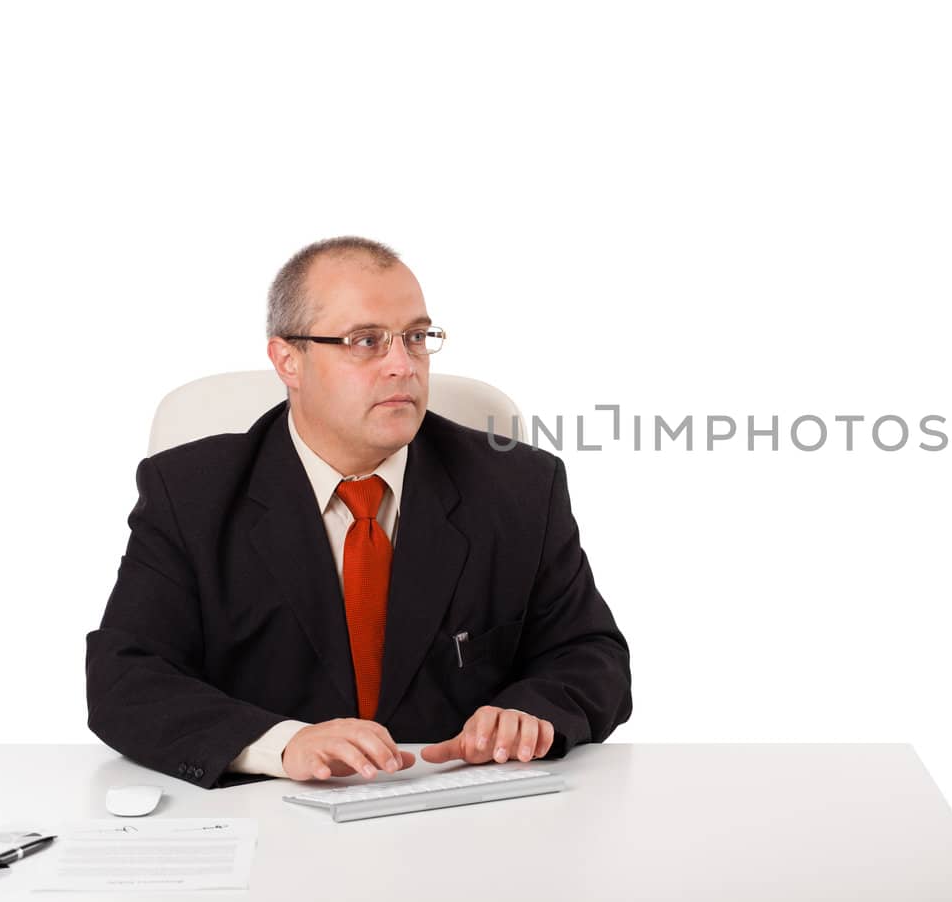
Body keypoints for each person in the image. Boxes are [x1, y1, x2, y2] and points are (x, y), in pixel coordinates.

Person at [85, 236, 632, 788]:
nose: (403, 366)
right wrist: (281, 743)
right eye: (365, 341)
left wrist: (530, 713)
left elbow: (590, 655)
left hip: (461, 812)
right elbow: (125, 679)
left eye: (416, 338)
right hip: (271, 817)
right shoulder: (191, 493)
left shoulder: (518, 486)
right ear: (288, 360)